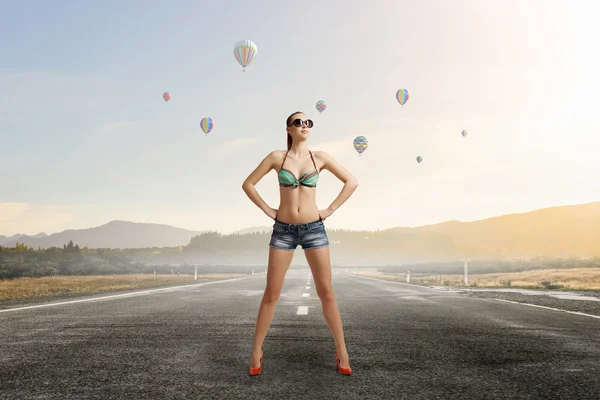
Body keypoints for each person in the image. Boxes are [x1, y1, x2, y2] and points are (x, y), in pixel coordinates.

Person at [242, 111, 359, 376]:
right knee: (271, 294)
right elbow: (248, 184)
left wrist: (328, 210)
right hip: (283, 230)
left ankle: (342, 350)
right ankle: (256, 350)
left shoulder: (320, 158)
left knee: (326, 292)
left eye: (308, 122)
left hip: (314, 229)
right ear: (288, 128)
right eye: (299, 122)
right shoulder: (276, 157)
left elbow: (352, 182)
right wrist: (268, 210)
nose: (304, 126)